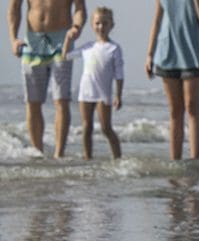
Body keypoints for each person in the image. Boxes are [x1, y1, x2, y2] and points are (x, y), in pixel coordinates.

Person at [7, 0, 86, 157]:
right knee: (32, 102)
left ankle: (59, 154)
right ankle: (38, 152)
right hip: (33, 41)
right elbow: (14, 7)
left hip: (62, 40)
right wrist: (13, 39)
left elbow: (80, 8)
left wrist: (76, 27)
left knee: (61, 100)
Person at [145, 0, 199, 160]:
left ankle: (194, 160)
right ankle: (175, 161)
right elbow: (157, 19)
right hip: (167, 51)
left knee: (192, 105)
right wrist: (149, 53)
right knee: (175, 110)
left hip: (193, 52)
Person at [63, 6, 123, 159]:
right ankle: (87, 157)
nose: (101, 27)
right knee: (86, 127)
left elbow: (119, 74)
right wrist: (68, 38)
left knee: (105, 128)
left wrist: (118, 95)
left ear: (112, 25)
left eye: (105, 23)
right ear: (92, 25)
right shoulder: (88, 47)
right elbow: (66, 56)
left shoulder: (114, 48)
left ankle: (118, 158)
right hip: (86, 93)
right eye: (97, 23)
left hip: (103, 94)